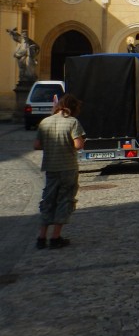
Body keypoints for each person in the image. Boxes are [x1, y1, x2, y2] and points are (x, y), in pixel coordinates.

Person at [34, 94, 86, 249]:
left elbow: (37, 145)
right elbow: (78, 145)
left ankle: (41, 237)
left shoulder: (45, 122)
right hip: (67, 167)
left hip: (50, 167)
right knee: (64, 200)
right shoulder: (72, 122)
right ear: (74, 108)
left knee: (48, 200)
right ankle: (55, 237)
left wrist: (51, 145)